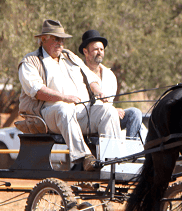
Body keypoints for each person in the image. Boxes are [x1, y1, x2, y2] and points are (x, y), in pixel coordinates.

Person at [18, 19, 121, 171]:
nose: (60, 43)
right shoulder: (30, 61)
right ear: (43, 39)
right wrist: (63, 97)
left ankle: (113, 162)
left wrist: (98, 91)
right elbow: (36, 90)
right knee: (64, 109)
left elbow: (90, 78)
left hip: (81, 113)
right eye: (56, 39)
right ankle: (85, 158)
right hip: (49, 115)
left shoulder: (70, 56)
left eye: (62, 40)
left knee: (109, 112)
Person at [79, 30, 143, 140]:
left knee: (134, 113)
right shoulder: (79, 72)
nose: (99, 52)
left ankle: (131, 154)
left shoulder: (109, 75)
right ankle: (114, 154)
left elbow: (109, 102)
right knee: (110, 114)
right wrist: (113, 111)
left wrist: (114, 110)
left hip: (109, 115)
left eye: (101, 49)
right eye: (95, 49)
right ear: (85, 52)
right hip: (87, 118)